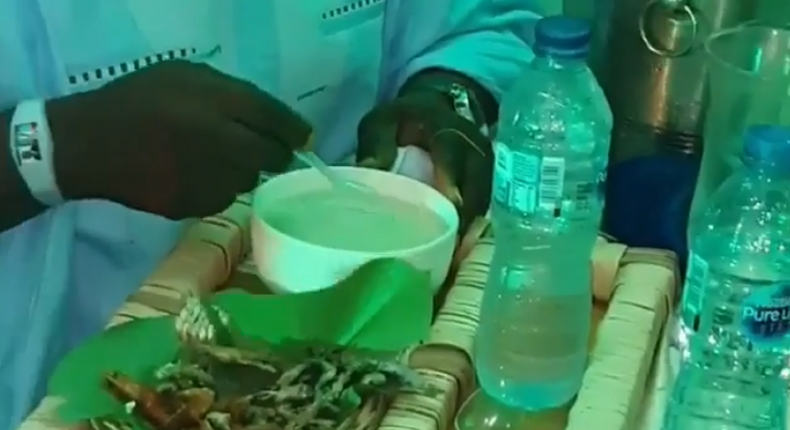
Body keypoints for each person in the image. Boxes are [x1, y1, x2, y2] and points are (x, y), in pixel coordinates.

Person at [0, 0, 541, 427]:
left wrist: (448, 95)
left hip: (354, 364)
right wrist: (55, 148)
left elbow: (480, 24)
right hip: (66, 381)